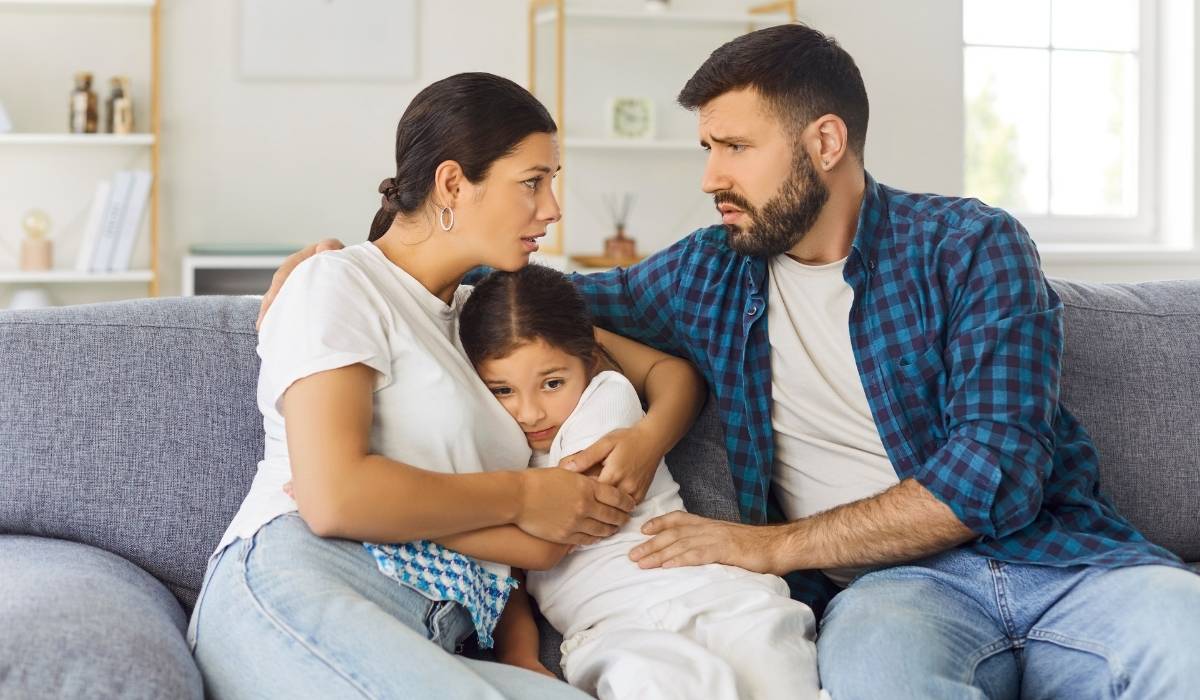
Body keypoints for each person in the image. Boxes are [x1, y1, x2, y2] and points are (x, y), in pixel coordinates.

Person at [267, 24, 1200, 698]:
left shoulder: (968, 246)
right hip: (894, 595)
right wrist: (345, 263)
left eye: (735, 148)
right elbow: (523, 298)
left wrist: (770, 548)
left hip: (1071, 564)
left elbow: (993, 475)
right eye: (706, 147)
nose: (709, 175)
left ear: (824, 142)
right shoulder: (710, 273)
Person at [189, 72, 707, 699]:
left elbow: (668, 374)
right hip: (308, 582)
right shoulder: (337, 284)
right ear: (454, 184)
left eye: (552, 182)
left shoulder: (484, 319)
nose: (552, 208)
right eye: (532, 182)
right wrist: (524, 495)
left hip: (442, 621)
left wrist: (646, 441)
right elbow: (333, 500)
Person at [457, 264, 822, 700]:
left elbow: (553, 536)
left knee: (774, 665)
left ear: (588, 364)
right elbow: (507, 576)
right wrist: (521, 657)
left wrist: (422, 522)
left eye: (552, 384)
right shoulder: (492, 452)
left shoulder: (607, 397)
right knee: (653, 682)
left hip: (705, 591)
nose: (530, 412)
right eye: (503, 391)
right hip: (612, 628)